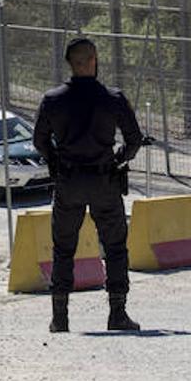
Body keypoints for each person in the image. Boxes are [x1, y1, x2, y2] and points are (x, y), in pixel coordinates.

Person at [33, 37, 144, 333]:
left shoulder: (53, 100)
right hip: (104, 179)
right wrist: (119, 158)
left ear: (70, 64)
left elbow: (39, 141)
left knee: (63, 248)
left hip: (68, 180)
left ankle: (60, 318)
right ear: (94, 60)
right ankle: (117, 314)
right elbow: (134, 140)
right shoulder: (113, 98)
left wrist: (56, 163)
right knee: (115, 247)